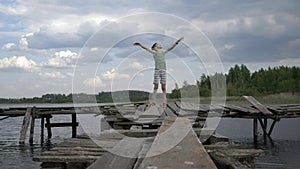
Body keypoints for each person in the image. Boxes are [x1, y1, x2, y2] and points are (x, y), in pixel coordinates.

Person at [133, 36, 184, 108]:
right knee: (156, 86)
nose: (160, 45)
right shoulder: (154, 52)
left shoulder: (163, 52)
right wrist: (140, 44)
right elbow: (146, 48)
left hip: (163, 70)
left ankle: (164, 102)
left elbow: (171, 48)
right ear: (155, 47)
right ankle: (153, 102)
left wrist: (177, 42)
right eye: (158, 44)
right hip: (157, 70)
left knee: (164, 87)